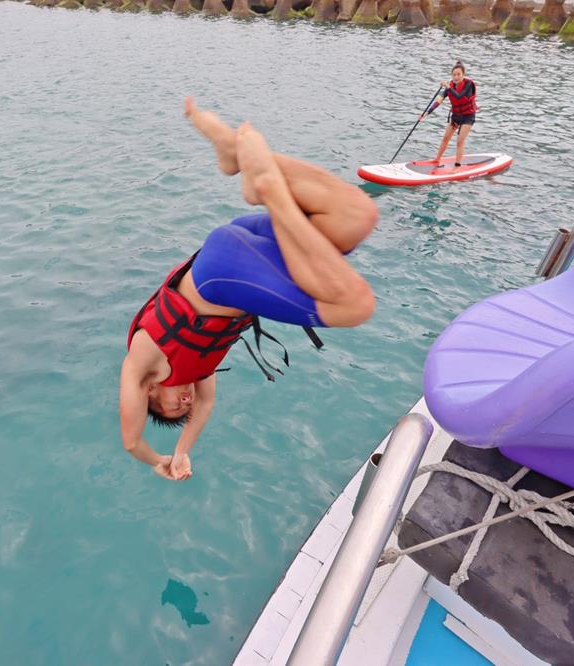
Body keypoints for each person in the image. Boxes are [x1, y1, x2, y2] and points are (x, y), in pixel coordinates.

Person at [119, 98, 378, 482]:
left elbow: (130, 442)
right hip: (237, 245)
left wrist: (157, 461)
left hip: (223, 273)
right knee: (355, 218)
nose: (185, 402)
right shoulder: (200, 374)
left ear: (152, 394)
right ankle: (236, 152)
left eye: (173, 407)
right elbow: (205, 408)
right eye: (183, 410)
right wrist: (182, 453)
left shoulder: (143, 369)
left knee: (354, 306)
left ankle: (267, 189)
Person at [418, 61, 477, 168]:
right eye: (454, 75)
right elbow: (438, 101)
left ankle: (457, 166)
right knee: (445, 138)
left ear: (463, 75)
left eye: (458, 74)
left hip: (468, 116)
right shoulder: (449, 86)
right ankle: (437, 160)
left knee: (459, 141)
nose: (456, 77)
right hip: (456, 116)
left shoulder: (468, 85)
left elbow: (459, 96)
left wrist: (448, 87)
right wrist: (427, 113)